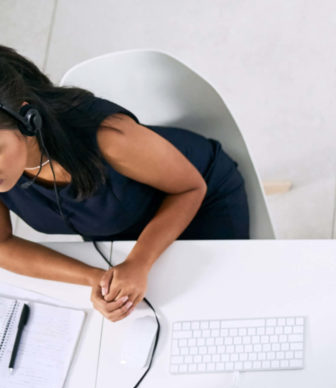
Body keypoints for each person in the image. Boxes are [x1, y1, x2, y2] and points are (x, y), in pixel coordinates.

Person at [0, 46, 249, 322]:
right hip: (121, 232)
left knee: (217, 309)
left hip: (198, 199)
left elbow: (192, 188)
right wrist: (98, 279)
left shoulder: (110, 137)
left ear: (26, 119)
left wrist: (139, 262)